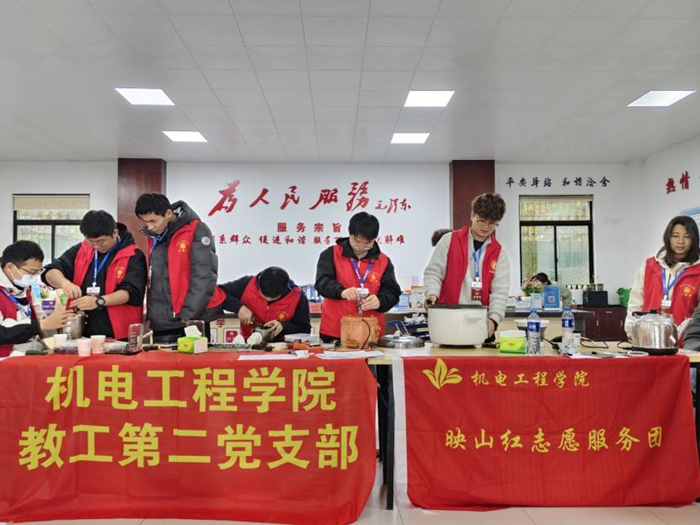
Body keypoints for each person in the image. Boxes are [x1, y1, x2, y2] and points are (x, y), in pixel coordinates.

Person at [43, 211, 147, 340]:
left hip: (120, 332)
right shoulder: (81, 249)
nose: (97, 246)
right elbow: (50, 272)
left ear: (115, 233)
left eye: (101, 242)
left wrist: (99, 301)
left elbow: (132, 292)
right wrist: (65, 283)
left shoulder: (133, 254)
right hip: (83, 332)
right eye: (91, 242)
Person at [135, 193, 225, 341]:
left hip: (190, 318)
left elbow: (204, 275)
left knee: (193, 357)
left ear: (168, 213)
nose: (150, 226)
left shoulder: (196, 229)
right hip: (162, 321)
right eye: (146, 222)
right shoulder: (155, 235)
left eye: (153, 221)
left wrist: (190, 314)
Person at [423, 193, 510, 340]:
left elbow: (500, 291)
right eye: (482, 221)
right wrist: (432, 294)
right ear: (472, 215)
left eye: (492, 223)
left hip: (479, 321)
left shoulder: (499, 253)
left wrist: (494, 319)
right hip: (447, 317)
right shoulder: (449, 240)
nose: (486, 226)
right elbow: (434, 272)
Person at [315, 212, 401, 343]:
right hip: (335, 331)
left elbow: (393, 291)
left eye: (367, 243)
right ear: (350, 234)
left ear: (375, 239)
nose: (361, 247)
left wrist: (380, 301)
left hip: (370, 331)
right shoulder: (332, 254)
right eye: (356, 241)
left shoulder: (383, 261)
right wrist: (341, 292)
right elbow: (322, 282)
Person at [625, 215, 700, 338]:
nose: (681, 241)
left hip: (686, 341)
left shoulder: (697, 270)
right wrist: (631, 331)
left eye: (687, 237)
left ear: (694, 239)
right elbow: (636, 301)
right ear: (668, 238)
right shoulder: (650, 266)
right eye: (675, 236)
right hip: (649, 338)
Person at [0, 241, 72, 356]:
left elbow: (33, 317)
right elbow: (3, 334)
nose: (34, 277)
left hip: (23, 354)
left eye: (38, 272)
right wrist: (40, 325)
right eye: (31, 272)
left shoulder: (24, 288)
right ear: (10, 267)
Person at [220, 266, 311, 341]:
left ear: (284, 290)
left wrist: (283, 326)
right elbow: (219, 293)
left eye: (273, 298)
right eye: (263, 295)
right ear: (259, 284)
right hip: (249, 343)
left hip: (282, 347)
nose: (267, 299)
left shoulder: (298, 296)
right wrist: (239, 308)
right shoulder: (246, 284)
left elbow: (304, 329)